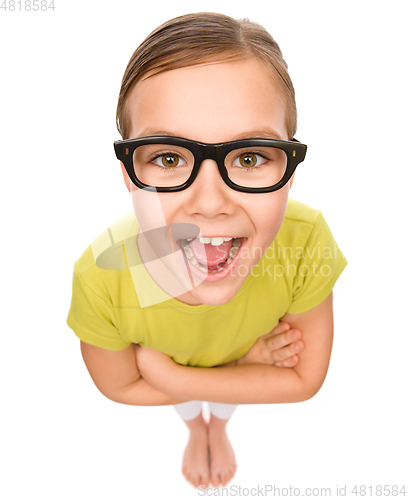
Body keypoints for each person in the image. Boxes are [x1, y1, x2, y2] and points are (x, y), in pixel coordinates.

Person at [66, 12, 347, 490]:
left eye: (250, 156)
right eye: (169, 158)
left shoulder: (305, 241)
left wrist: (172, 375)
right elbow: (119, 388)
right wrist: (245, 368)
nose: (212, 203)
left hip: (209, 365)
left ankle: (215, 425)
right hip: (247, 362)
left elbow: (304, 381)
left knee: (218, 404)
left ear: (290, 168)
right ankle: (198, 427)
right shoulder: (101, 279)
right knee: (194, 407)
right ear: (130, 175)